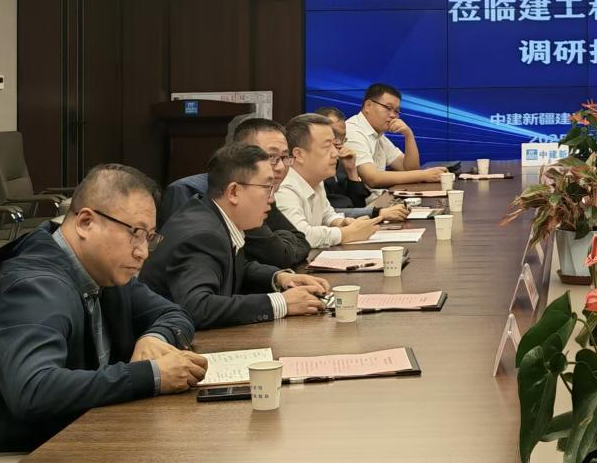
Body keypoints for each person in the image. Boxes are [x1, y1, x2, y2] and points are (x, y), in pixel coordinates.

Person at [0, 164, 206, 453]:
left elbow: (174, 314)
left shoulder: (106, 271)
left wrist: (154, 338)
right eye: (135, 233)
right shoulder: (33, 289)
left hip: (72, 437)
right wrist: (152, 375)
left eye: (149, 237)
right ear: (86, 223)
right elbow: (34, 389)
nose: (142, 252)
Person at [141, 144, 330, 329]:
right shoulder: (203, 235)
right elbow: (198, 307)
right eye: (267, 187)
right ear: (233, 192)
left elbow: (231, 266)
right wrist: (281, 303)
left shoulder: (212, 215)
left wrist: (279, 278)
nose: (272, 198)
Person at [157, 118, 311, 269]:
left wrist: (276, 276)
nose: (281, 167)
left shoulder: (263, 190)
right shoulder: (192, 191)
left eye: (285, 157)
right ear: (241, 154)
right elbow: (278, 255)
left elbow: (301, 241)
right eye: (271, 157)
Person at [276, 113, 409, 249]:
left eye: (335, 145)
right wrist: (346, 233)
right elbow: (301, 236)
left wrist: (341, 222)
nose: (336, 153)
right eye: (327, 146)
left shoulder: (316, 179)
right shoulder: (283, 187)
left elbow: (327, 215)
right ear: (299, 154)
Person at [344, 83, 448, 191]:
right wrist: (423, 175)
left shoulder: (379, 136)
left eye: (396, 111)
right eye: (388, 108)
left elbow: (409, 169)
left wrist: (408, 135)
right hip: (364, 201)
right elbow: (372, 178)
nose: (393, 115)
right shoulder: (352, 131)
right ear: (368, 106)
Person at [314, 106, 373, 216]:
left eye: (342, 137)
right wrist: (376, 213)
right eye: (334, 135)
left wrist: (351, 171)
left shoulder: (340, 162)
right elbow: (327, 215)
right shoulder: (312, 168)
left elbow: (359, 205)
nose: (338, 142)